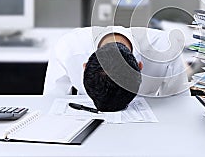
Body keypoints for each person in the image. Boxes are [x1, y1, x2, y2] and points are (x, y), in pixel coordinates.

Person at [44, 26, 190, 111]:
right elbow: (50, 103)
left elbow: (181, 106)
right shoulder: (67, 47)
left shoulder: (166, 49)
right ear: (85, 67)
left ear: (140, 67)